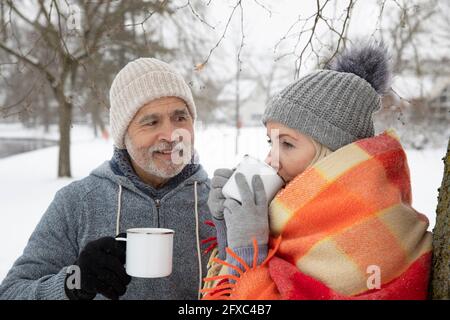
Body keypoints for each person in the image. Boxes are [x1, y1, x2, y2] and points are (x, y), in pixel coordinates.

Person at [204, 42, 432, 300]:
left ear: (333, 154)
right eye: (271, 142)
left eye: (287, 144)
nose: (271, 159)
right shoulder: (290, 218)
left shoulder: (368, 233)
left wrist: (247, 251)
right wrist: (228, 233)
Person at [0, 58, 215, 300]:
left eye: (180, 118)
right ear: (124, 134)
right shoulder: (78, 202)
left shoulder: (221, 204)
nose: (170, 134)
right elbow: (11, 292)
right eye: (151, 122)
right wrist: (74, 283)